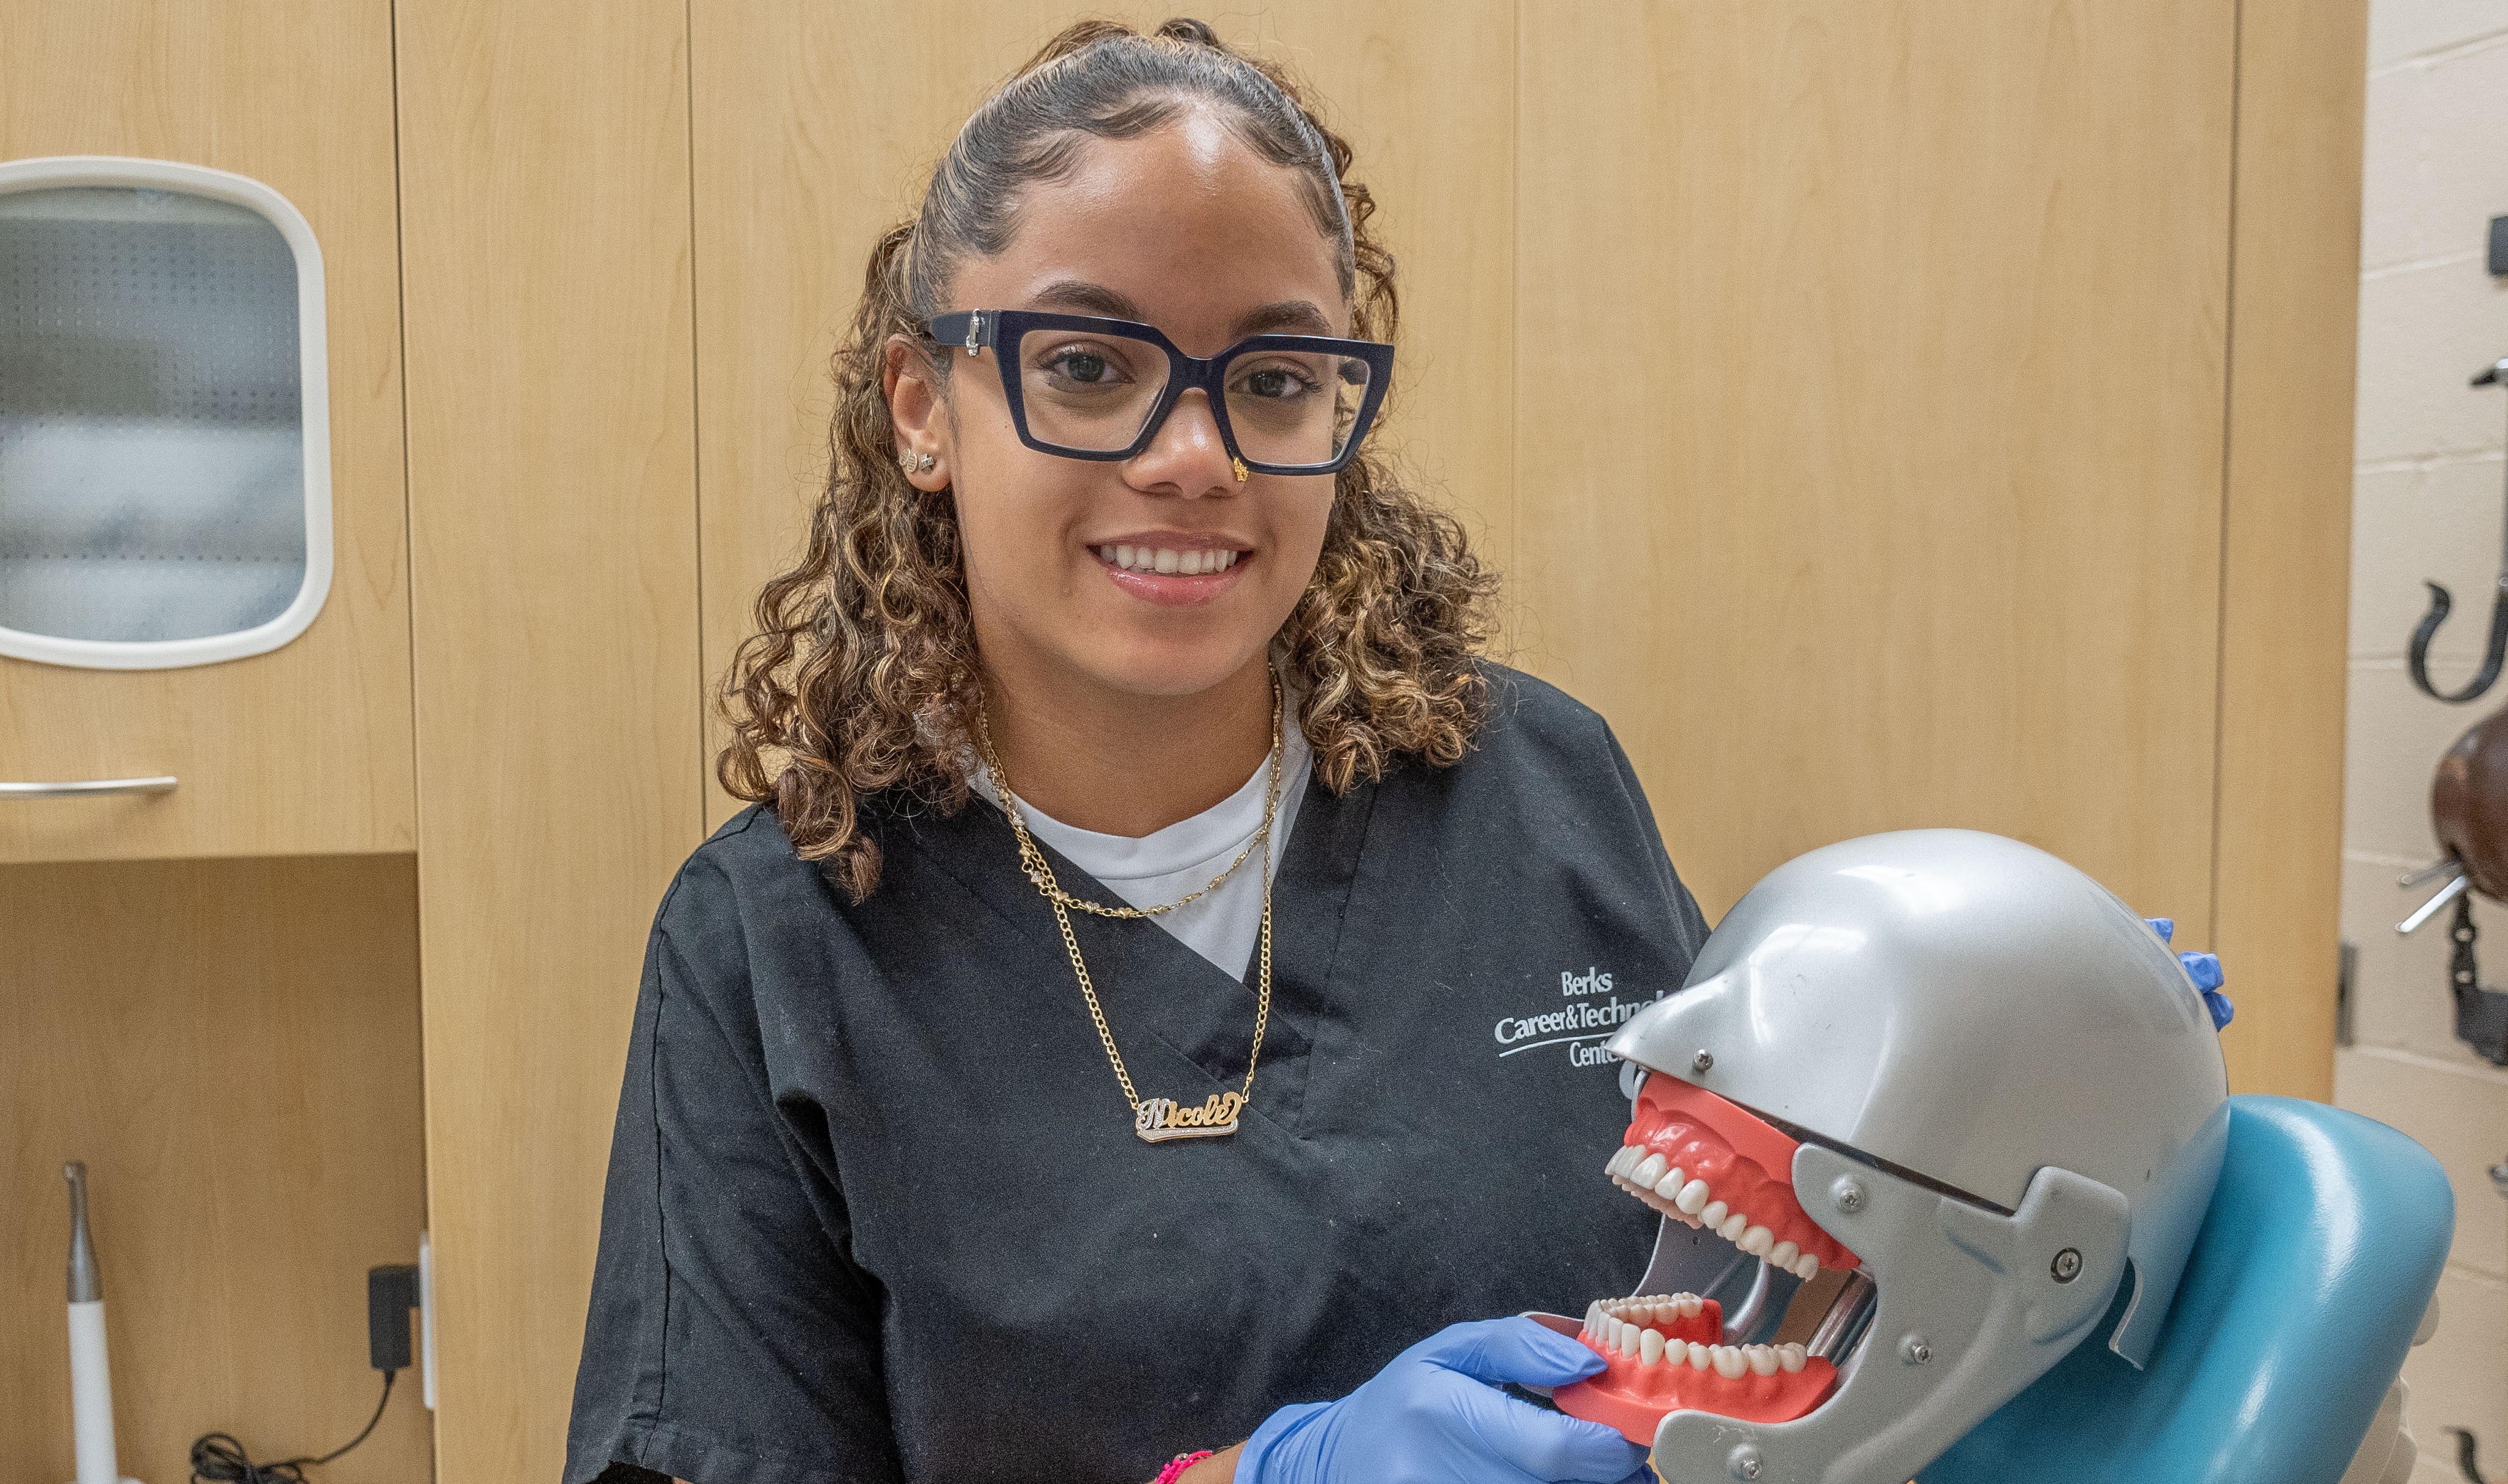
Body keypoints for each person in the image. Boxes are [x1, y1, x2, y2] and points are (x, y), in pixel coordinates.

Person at [566, 18, 1703, 1484]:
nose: (1197, 455)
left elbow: (1766, 1284)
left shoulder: (1545, 792)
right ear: (926, 408)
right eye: (1093, 363)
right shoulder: (779, 950)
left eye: (1279, 377)